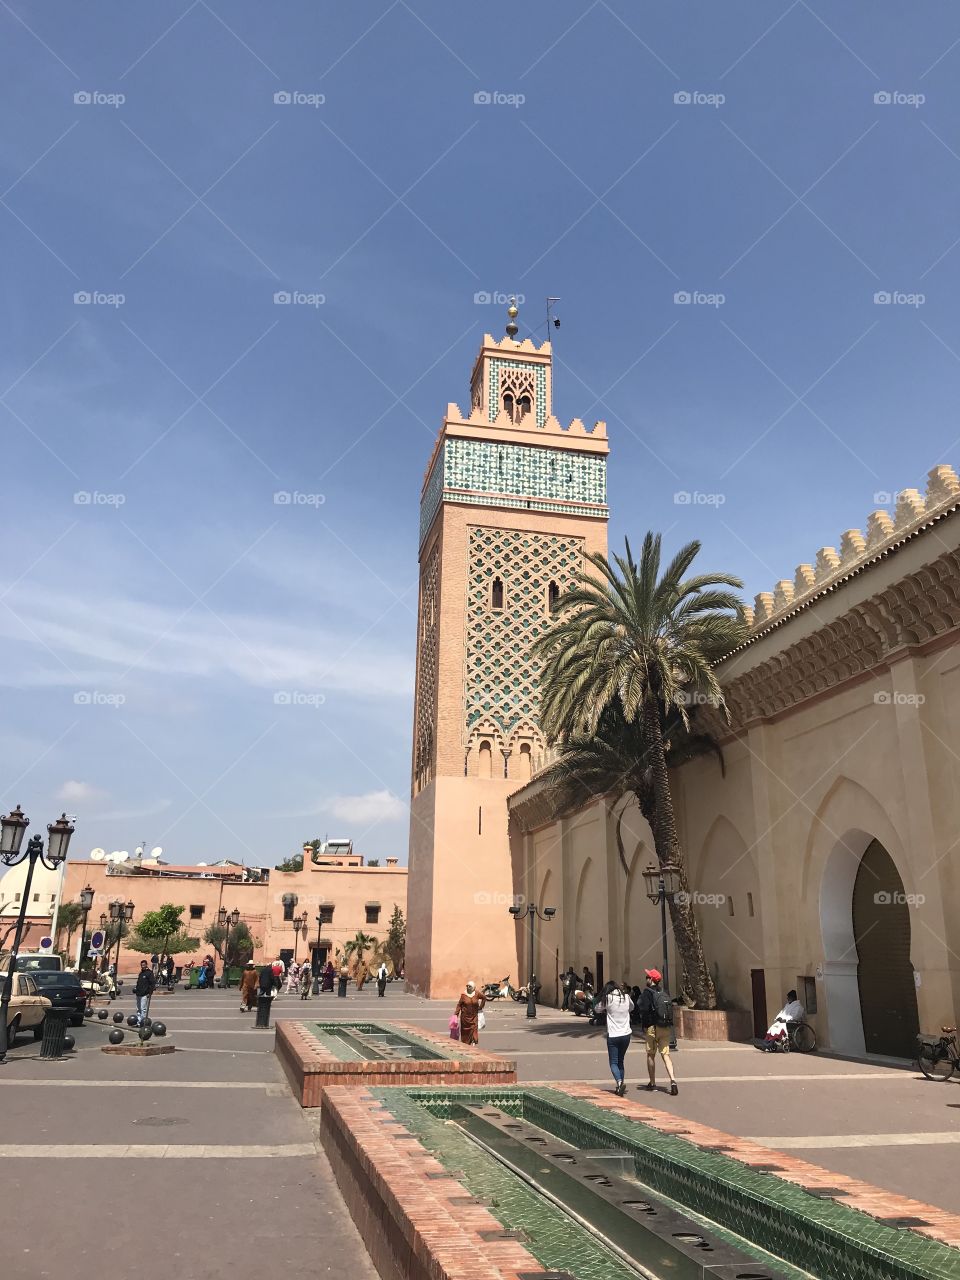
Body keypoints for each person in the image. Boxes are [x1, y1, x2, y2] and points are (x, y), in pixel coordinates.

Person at [637, 968, 678, 1095]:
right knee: (666, 1055)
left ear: (651, 980)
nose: (646, 979)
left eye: (647, 977)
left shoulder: (647, 993)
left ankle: (653, 1082)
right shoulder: (663, 992)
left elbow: (642, 1008)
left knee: (651, 1055)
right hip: (665, 1028)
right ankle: (673, 1080)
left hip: (652, 1028)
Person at [599, 980, 635, 1095]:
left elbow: (597, 1008)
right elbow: (632, 1008)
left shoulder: (608, 998)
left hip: (614, 1035)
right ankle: (620, 1085)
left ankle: (619, 1083)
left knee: (613, 1062)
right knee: (620, 1060)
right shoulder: (626, 997)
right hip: (626, 1034)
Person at [455, 980, 486, 1044]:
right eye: (467, 986)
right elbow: (459, 1005)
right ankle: (466, 1044)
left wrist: (481, 1007)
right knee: (465, 1034)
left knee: (474, 1029)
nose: (468, 987)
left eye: (470, 986)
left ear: (474, 988)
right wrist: (456, 1015)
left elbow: (484, 997)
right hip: (465, 1019)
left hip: (474, 1016)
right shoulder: (463, 995)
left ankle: (474, 1042)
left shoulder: (477, 993)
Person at [134, 959, 155, 1026]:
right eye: (141, 965)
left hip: (145, 994)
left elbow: (152, 983)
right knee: (138, 1009)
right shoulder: (141, 973)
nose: (142, 966)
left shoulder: (149, 973)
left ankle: (143, 1022)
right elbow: (138, 983)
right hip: (138, 993)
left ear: (146, 965)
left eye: (144, 965)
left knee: (143, 1009)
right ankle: (139, 1021)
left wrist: (150, 992)